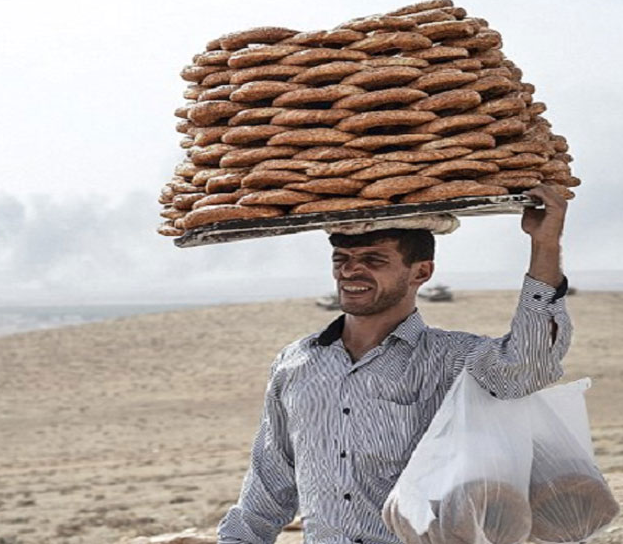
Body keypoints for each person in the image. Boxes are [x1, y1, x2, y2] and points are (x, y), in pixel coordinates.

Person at [216, 185, 571, 544]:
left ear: (421, 272)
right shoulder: (294, 365)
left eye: (374, 260)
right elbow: (268, 487)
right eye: (341, 259)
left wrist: (545, 244)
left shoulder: (452, 359)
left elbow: (530, 368)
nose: (351, 272)